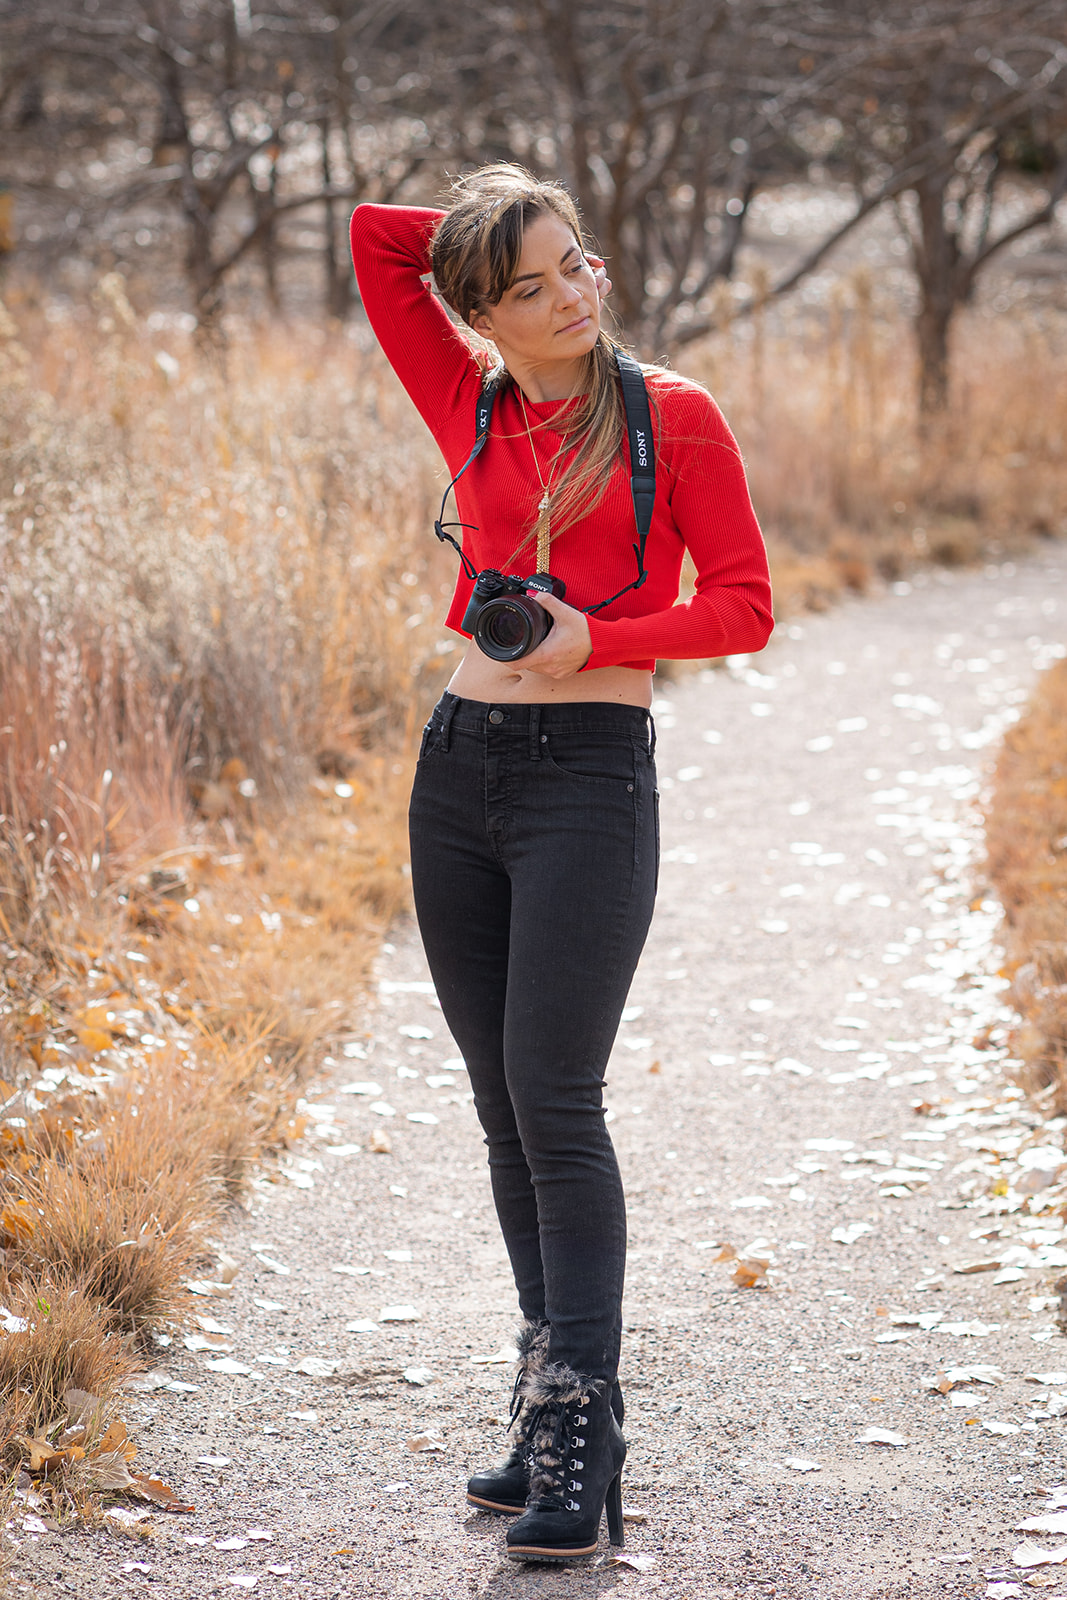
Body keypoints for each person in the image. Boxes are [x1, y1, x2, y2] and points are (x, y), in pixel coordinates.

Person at [349, 164, 773, 1563]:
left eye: (576, 262)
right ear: (480, 313)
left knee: (557, 1100)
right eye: (527, 288)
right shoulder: (466, 396)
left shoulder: (673, 416)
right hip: (457, 770)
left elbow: (747, 606)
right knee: (501, 1111)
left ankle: (585, 1428)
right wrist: (495, 225)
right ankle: (547, 1403)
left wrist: (603, 637)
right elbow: (377, 240)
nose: (572, 296)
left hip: (590, 776)